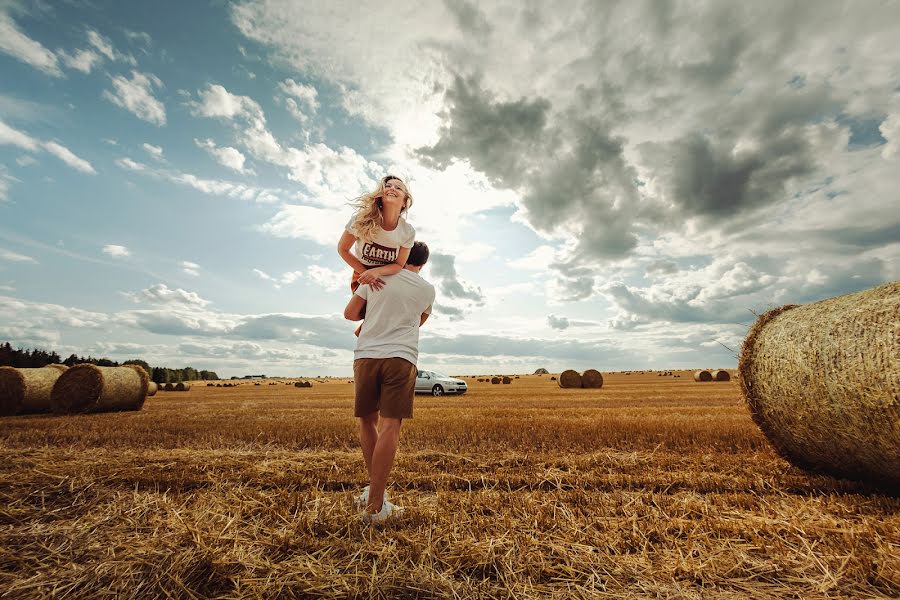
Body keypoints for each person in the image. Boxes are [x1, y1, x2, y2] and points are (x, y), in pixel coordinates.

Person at [343, 241, 435, 523]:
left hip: (367, 356)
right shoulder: (427, 290)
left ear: (400, 255)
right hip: (401, 357)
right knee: (390, 426)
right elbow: (417, 322)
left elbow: (350, 314)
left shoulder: (376, 276)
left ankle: (375, 496)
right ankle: (374, 507)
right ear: (423, 263)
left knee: (367, 422)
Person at [337, 175, 416, 335]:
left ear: (405, 202)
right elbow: (343, 249)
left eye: (398, 187)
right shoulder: (361, 219)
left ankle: (376, 337)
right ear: (381, 193)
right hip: (362, 272)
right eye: (388, 186)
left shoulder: (407, 231)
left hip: (389, 274)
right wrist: (366, 272)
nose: (392, 188)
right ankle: (369, 326)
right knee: (351, 314)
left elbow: (399, 265)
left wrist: (378, 272)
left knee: (384, 314)